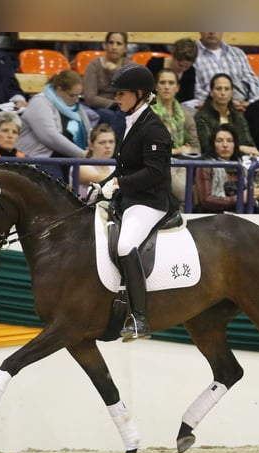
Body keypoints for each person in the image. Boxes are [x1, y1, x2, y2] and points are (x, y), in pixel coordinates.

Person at [95, 65, 179, 341]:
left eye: (122, 93)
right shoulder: (131, 123)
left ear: (139, 94)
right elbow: (125, 166)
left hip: (150, 201)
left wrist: (119, 185)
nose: (117, 98)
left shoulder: (154, 129)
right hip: (130, 198)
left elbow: (154, 173)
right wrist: (105, 183)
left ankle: (139, 318)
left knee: (125, 244)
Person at [17, 70, 91, 181]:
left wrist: (91, 151)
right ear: (59, 90)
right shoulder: (40, 102)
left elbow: (88, 130)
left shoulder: (76, 107)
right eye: (72, 95)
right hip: (42, 158)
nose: (76, 100)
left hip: (71, 158)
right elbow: (49, 136)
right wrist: (81, 154)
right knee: (58, 189)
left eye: (79, 96)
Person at [151, 67, 201, 204]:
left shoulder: (186, 113)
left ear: (177, 88)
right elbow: (150, 148)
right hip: (156, 163)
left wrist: (182, 153)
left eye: (171, 83)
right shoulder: (147, 113)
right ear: (156, 87)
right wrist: (178, 150)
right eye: (162, 83)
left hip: (182, 162)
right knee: (182, 192)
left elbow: (195, 147)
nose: (167, 87)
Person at [195, 123, 259, 213]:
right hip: (214, 216)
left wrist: (256, 193)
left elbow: (250, 194)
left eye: (230, 141)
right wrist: (239, 198)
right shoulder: (205, 166)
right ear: (213, 144)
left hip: (242, 214)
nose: (225, 145)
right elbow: (206, 200)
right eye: (219, 141)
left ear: (235, 144)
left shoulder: (243, 165)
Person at [193, 73, 259, 157]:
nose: (223, 93)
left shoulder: (238, 116)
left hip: (239, 162)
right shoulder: (202, 117)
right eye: (218, 89)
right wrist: (240, 148)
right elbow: (208, 147)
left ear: (232, 93)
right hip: (212, 163)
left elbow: (250, 145)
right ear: (211, 92)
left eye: (227, 89)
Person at [193, 32, 259, 111]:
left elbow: (252, 81)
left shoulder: (238, 53)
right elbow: (196, 90)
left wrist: (251, 104)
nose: (212, 32)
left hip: (242, 107)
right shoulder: (193, 55)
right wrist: (223, 103)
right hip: (209, 109)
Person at [82, 32, 132, 138]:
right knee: (112, 115)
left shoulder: (130, 66)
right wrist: (114, 103)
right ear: (105, 45)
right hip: (98, 107)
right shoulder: (93, 65)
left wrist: (115, 71)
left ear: (125, 48)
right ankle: (115, 147)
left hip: (123, 107)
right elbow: (90, 98)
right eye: (111, 43)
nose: (114, 47)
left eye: (119, 44)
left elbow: (132, 91)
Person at [145, 37, 198, 104]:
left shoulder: (190, 71)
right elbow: (145, 92)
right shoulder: (154, 65)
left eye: (187, 66)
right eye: (180, 65)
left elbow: (189, 99)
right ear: (173, 56)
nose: (183, 69)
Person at [73, 122, 115, 201]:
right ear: (91, 145)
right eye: (102, 142)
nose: (108, 146)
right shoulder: (81, 166)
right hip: (85, 211)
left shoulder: (116, 166)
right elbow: (99, 178)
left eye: (111, 142)